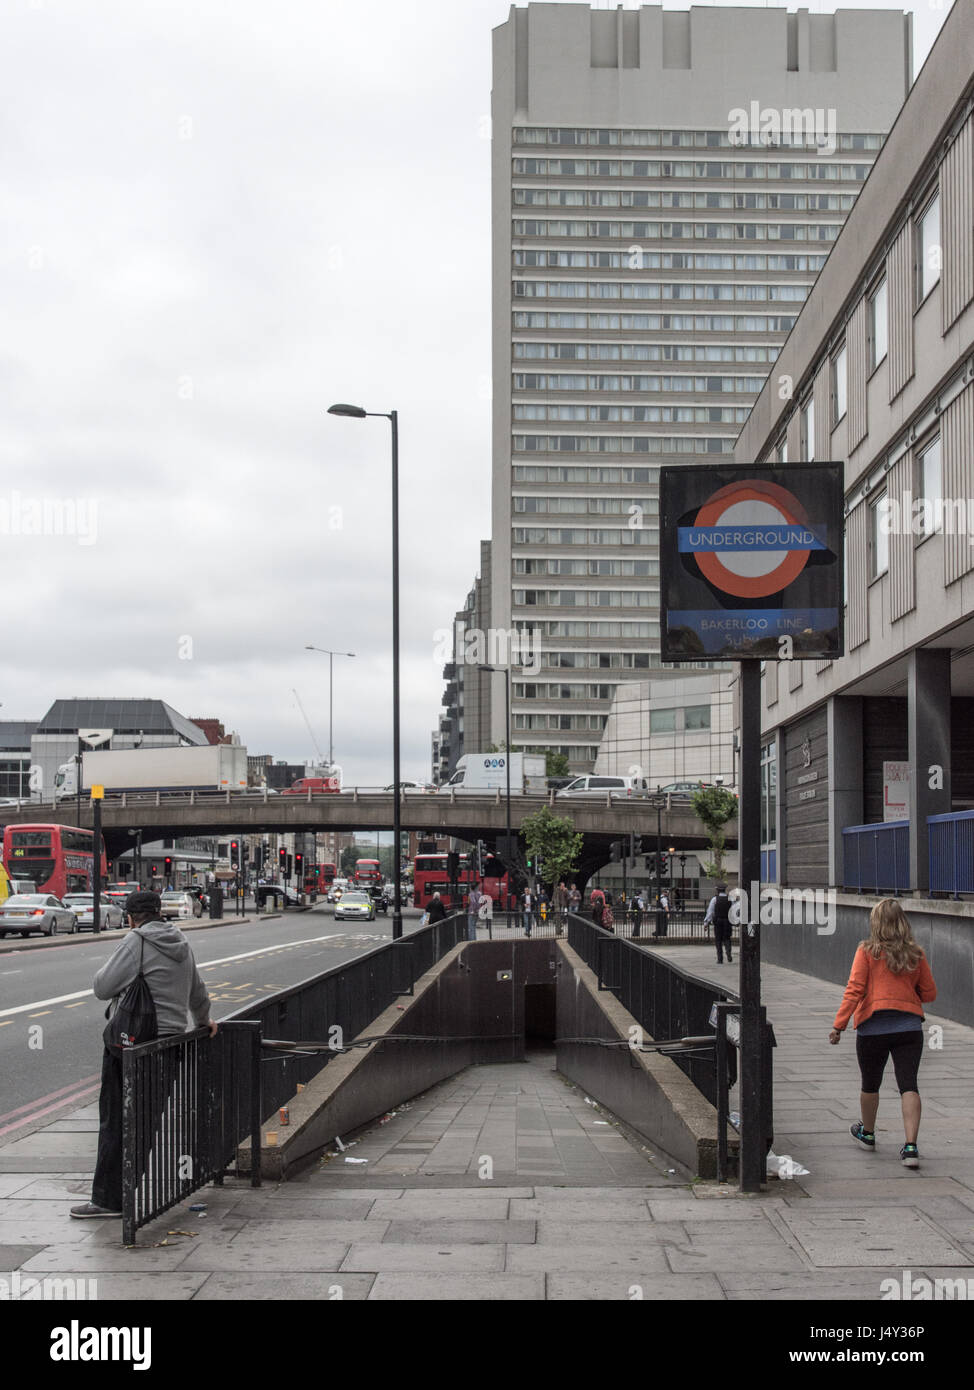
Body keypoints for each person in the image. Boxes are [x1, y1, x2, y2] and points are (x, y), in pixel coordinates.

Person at [70, 891, 216, 1220]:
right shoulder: (180, 940)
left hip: (131, 1046)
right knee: (145, 1123)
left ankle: (108, 1201)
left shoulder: (136, 941)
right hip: (168, 1046)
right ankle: (128, 1192)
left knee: (115, 1122)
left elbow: (101, 987)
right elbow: (197, 990)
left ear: (131, 916)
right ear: (159, 912)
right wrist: (205, 1021)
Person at [831, 898, 937, 1168]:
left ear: (876, 923)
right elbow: (930, 993)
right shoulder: (916, 953)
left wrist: (838, 1025)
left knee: (870, 1083)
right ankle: (911, 1147)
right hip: (909, 1029)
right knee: (908, 1084)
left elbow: (854, 989)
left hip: (872, 1029)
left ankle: (867, 1134)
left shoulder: (866, 951)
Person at [703, 882, 733, 963]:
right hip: (727, 921)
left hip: (718, 921)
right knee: (727, 938)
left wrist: (706, 923)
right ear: (725, 890)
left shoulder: (714, 899)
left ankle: (720, 959)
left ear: (717, 890)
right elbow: (733, 911)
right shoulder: (730, 898)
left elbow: (710, 912)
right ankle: (728, 953)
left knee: (718, 940)